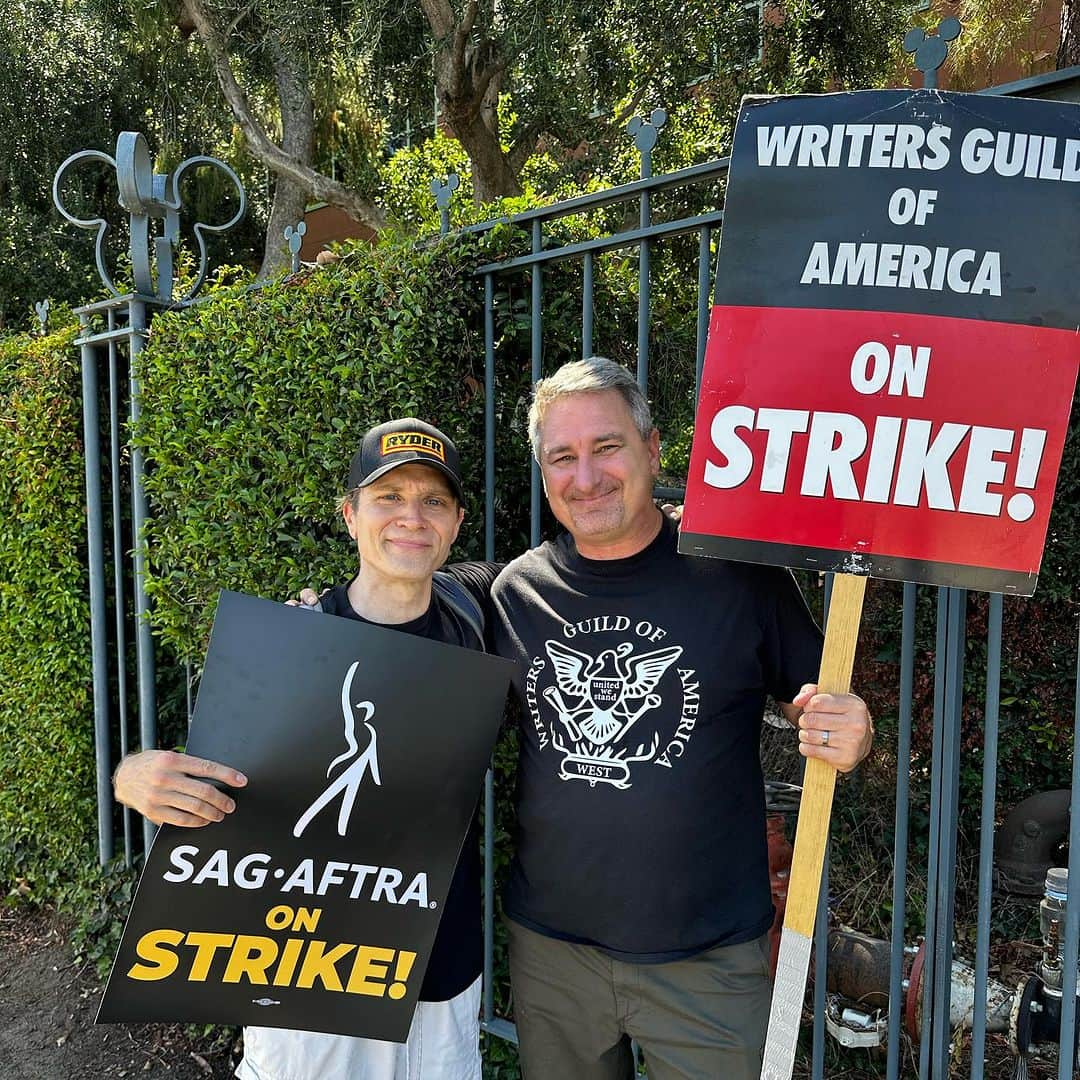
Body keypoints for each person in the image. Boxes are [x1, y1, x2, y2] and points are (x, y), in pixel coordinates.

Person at [481, 357, 873, 1080]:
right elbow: (424, 690)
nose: (586, 476)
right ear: (543, 472)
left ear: (653, 450)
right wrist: (324, 622)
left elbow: (821, 699)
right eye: (562, 457)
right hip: (554, 954)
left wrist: (852, 730)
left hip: (711, 962)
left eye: (606, 447)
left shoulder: (735, 573)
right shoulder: (517, 594)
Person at [112, 418, 498, 1080]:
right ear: (350, 515)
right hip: (310, 978)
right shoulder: (292, 638)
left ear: (458, 521)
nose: (412, 517)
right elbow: (216, 772)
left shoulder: (480, 610)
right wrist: (133, 776)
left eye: (432, 500)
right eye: (388, 498)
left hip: (440, 967)